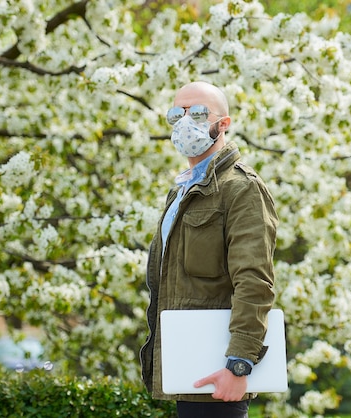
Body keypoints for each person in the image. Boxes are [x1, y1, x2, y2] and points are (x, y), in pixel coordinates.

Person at [140, 81, 279, 418]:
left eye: (199, 113)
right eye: (178, 114)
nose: (186, 121)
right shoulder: (182, 192)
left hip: (220, 374)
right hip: (183, 368)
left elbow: (255, 281)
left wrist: (239, 364)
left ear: (224, 123)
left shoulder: (241, 188)